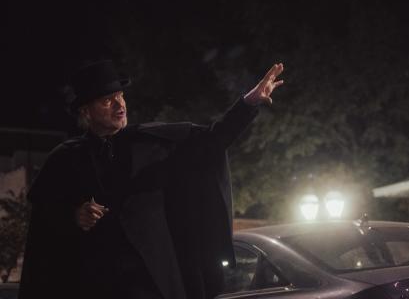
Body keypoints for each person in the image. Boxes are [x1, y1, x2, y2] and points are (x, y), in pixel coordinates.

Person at [18, 59, 284, 299]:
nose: (120, 105)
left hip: (157, 285)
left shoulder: (153, 144)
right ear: (86, 111)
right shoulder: (65, 160)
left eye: (120, 95)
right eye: (107, 100)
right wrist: (73, 216)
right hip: (92, 288)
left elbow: (213, 140)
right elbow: (44, 225)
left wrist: (249, 102)